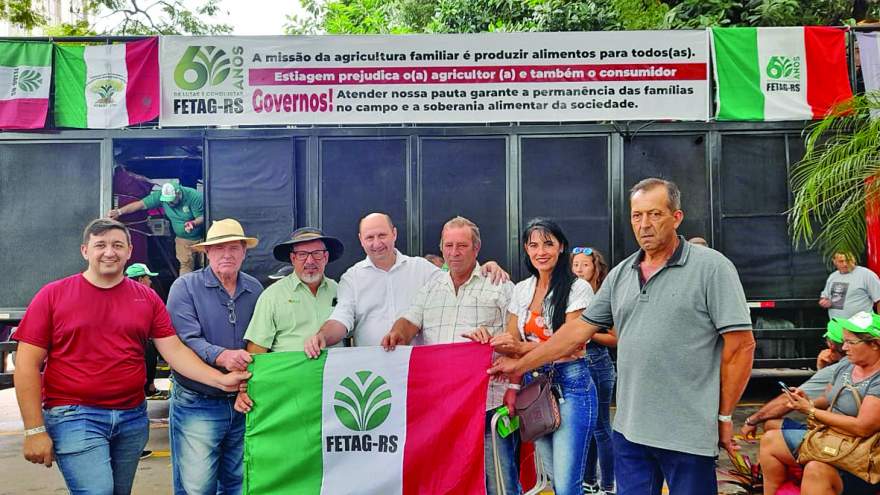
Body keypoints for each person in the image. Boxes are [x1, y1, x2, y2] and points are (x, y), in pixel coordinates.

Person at [488, 178, 755, 495]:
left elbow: (741, 347)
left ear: (676, 217)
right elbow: (575, 331)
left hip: (686, 433)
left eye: (655, 214)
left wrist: (725, 415)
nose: (645, 225)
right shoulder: (622, 274)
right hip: (630, 432)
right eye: (637, 215)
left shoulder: (712, 268)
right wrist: (520, 365)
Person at [12, 218, 249, 495]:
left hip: (131, 417)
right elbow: (27, 364)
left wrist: (221, 382)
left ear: (129, 251)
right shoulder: (53, 295)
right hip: (75, 415)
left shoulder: (146, 299)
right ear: (85, 251)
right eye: (100, 245)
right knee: (98, 491)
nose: (109, 252)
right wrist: (33, 430)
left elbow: (174, 351)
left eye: (117, 245)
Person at [380, 216, 519, 495]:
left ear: (476, 249)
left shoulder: (500, 285)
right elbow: (409, 322)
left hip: (488, 404)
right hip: (442, 408)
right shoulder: (430, 287)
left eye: (462, 246)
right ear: (441, 248)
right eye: (449, 245)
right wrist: (397, 334)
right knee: (447, 481)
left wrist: (513, 384)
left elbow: (517, 341)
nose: (454, 253)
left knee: (499, 483)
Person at [470, 219, 595, 495]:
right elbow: (511, 343)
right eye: (534, 245)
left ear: (561, 247)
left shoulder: (578, 289)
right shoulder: (522, 289)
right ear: (526, 249)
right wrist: (513, 385)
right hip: (532, 387)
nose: (541, 251)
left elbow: (571, 346)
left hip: (571, 386)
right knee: (553, 476)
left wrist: (521, 349)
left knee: (566, 485)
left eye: (548, 244)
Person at [303, 212, 508, 354]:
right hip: (372, 370)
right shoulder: (352, 277)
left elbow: (458, 274)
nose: (377, 243)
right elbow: (342, 318)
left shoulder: (422, 269)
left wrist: (486, 267)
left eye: (382, 235)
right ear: (360, 240)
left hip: (417, 371)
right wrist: (323, 336)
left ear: (394, 234)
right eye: (370, 237)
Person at [165, 218, 263, 495]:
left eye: (234, 247)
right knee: (197, 486)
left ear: (245, 251)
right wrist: (222, 356)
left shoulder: (255, 289)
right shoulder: (184, 287)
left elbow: (263, 337)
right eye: (219, 248)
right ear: (207, 253)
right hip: (198, 401)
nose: (227, 254)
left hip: (244, 401)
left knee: (239, 481)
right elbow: (185, 339)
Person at [759, 311, 880, 495]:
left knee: (815, 469)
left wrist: (810, 411)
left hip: (860, 452)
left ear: (874, 344)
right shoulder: (847, 365)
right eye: (844, 341)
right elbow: (827, 398)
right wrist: (808, 401)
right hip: (830, 437)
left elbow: (862, 428)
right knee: (770, 441)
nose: (844, 347)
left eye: (851, 342)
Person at [740, 319, 846, 440]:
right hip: (838, 429)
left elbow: (788, 402)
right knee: (771, 424)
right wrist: (821, 369)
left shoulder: (838, 369)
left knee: (771, 435)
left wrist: (751, 421)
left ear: (831, 345)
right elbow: (823, 399)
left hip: (835, 436)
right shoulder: (844, 368)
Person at [571, 247, 616, 495]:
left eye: (584, 265)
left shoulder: (602, 297)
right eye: (575, 264)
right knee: (584, 427)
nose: (579, 269)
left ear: (595, 268)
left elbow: (615, 338)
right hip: (578, 364)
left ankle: (608, 485)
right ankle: (590, 482)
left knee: (600, 428)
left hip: (598, 364)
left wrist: (585, 332)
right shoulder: (573, 295)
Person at [108, 182, 205, 275]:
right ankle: (184, 290)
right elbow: (140, 204)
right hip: (183, 239)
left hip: (202, 238)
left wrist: (193, 223)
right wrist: (119, 212)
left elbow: (202, 217)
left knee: (205, 265)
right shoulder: (161, 196)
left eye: (171, 200)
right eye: (166, 201)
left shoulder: (194, 196)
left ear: (178, 193)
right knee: (185, 265)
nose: (169, 203)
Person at [125, 263, 164, 400]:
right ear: (141, 279)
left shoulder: (118, 294)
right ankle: (149, 386)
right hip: (142, 340)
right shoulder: (148, 295)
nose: (151, 281)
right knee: (150, 350)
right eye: (148, 278)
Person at [819, 251, 880, 319]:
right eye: (841, 261)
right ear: (834, 261)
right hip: (836, 325)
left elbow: (879, 299)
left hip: (861, 326)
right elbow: (825, 297)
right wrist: (824, 302)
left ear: (854, 259)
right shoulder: (833, 276)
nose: (845, 264)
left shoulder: (866, 274)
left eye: (848, 260)